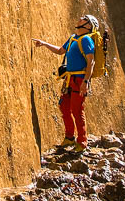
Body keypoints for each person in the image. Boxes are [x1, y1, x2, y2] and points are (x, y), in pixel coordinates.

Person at [33, 14, 97, 152]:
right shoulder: (73, 38)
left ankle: (82, 142)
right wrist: (44, 43)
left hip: (80, 79)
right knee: (64, 107)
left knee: (77, 109)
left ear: (88, 26)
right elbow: (60, 51)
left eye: (84, 18)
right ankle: (69, 137)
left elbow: (91, 62)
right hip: (70, 79)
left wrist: (85, 81)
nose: (80, 18)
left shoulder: (86, 40)